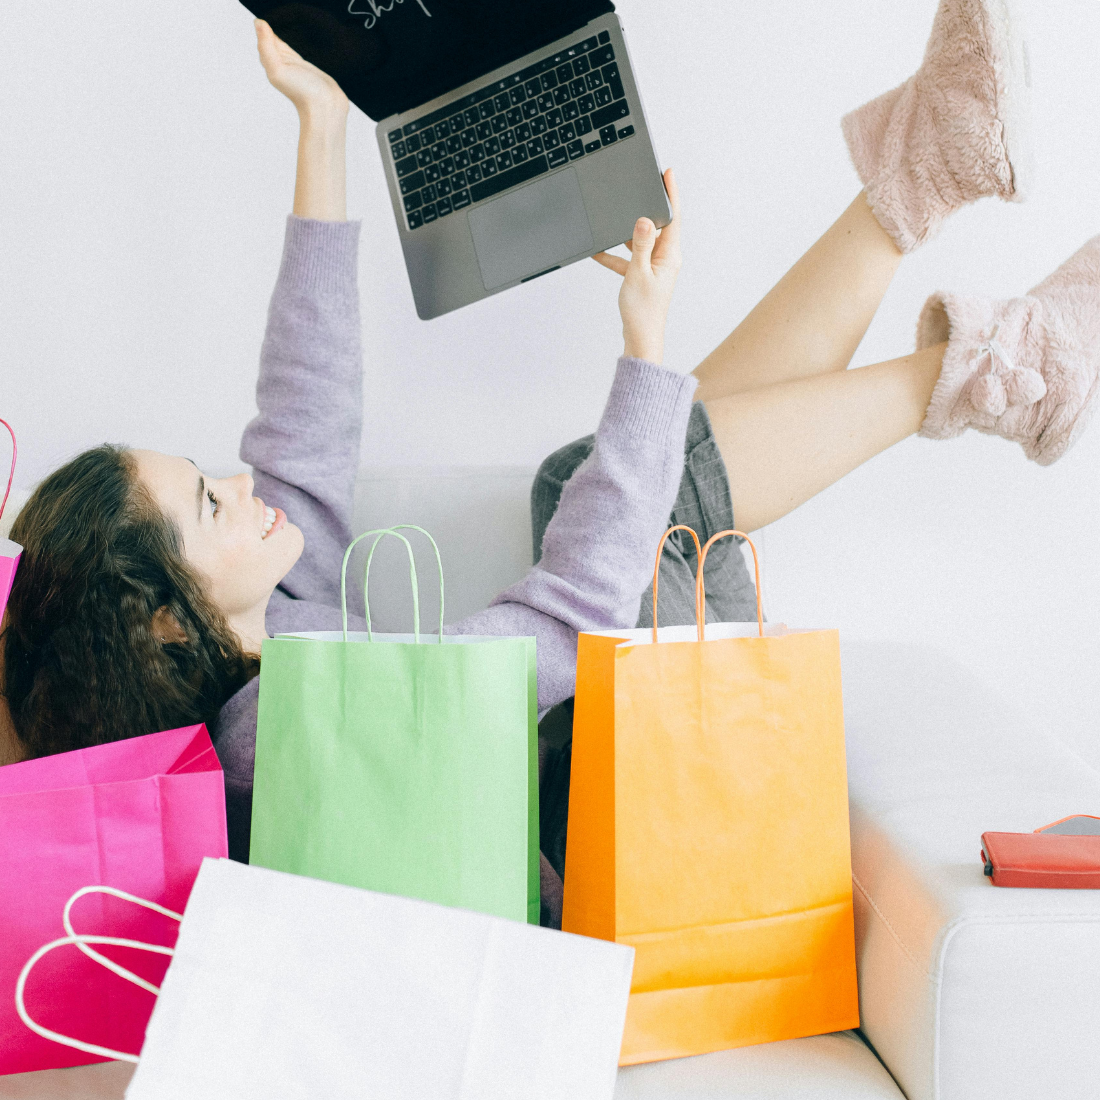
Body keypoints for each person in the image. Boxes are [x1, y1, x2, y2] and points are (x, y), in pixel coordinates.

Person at [2, 1, 1099, 931]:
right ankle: (999, 366)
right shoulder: (279, 724)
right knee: (632, 486)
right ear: (160, 620)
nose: (239, 485)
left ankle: (919, 179)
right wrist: (642, 348)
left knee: (579, 478)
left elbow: (302, 420)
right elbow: (574, 615)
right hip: (640, 885)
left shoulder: (256, 634)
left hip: (611, 817)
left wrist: (320, 124)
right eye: (208, 502)